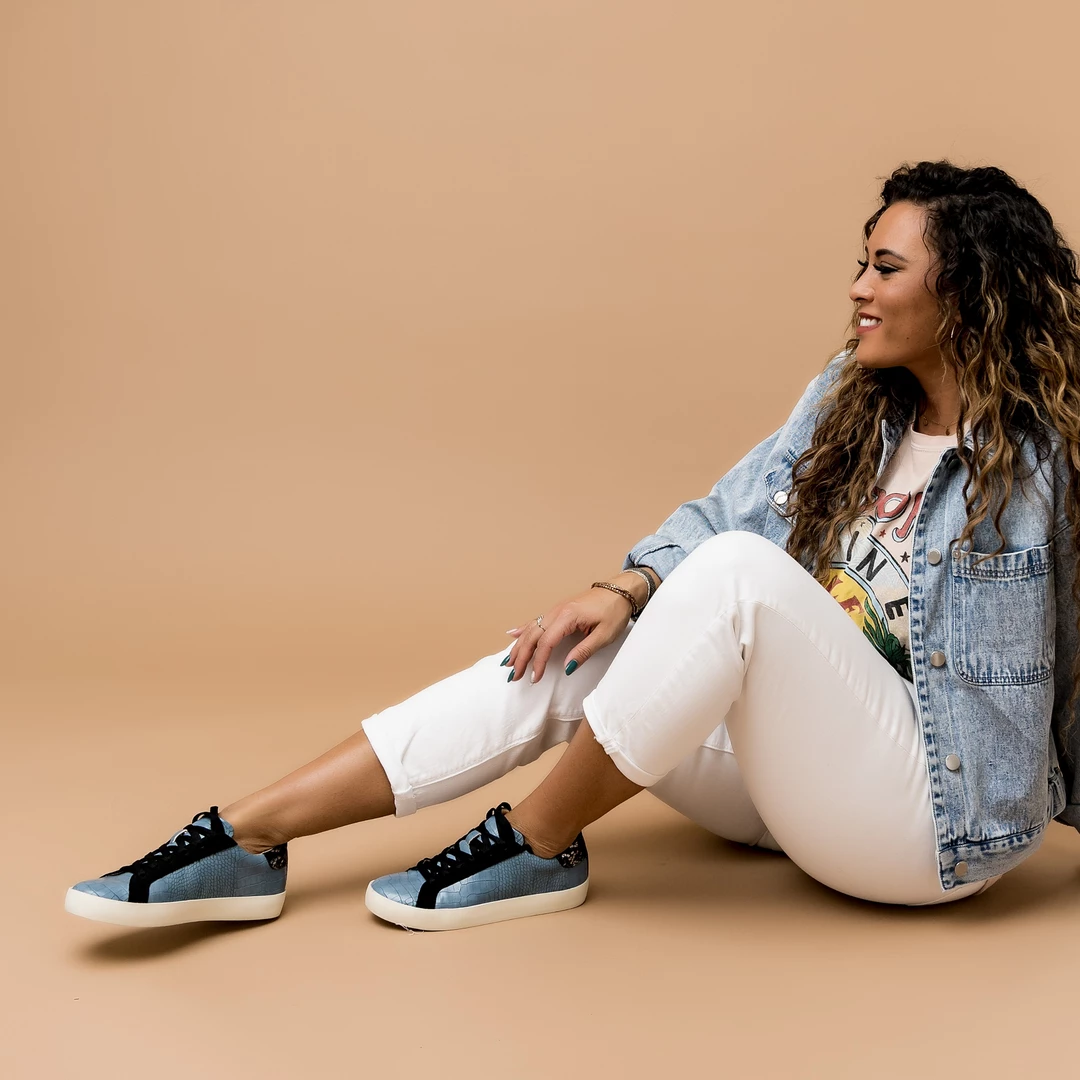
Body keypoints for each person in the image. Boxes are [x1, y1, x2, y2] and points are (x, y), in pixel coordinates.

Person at [65, 160, 1080, 932]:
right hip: (799, 791)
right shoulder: (854, 397)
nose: (858, 286)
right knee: (584, 644)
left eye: (886, 268)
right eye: (860, 261)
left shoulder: (1039, 462)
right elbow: (727, 513)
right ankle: (248, 838)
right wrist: (625, 590)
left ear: (968, 292)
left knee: (737, 580)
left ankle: (537, 841)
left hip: (927, 826)